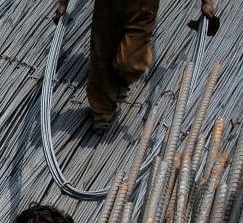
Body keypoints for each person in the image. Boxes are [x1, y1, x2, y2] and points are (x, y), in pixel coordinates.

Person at [54, 0, 219, 132]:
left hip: (142, 7)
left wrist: (206, 2)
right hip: (108, 7)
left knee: (132, 61)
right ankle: (102, 112)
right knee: (101, 57)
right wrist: (63, 4)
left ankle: (120, 80)